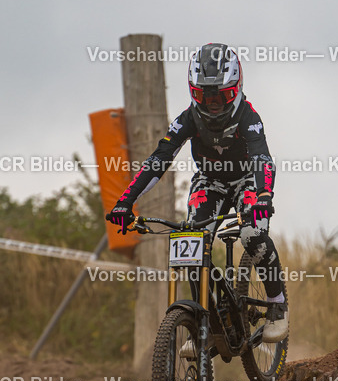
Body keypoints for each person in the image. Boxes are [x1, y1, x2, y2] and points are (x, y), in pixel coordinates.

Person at [106, 43, 288, 341]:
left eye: (221, 96)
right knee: (189, 244)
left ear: (236, 89)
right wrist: (125, 202)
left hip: (247, 181)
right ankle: (201, 320)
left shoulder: (248, 117)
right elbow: (158, 160)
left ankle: (277, 305)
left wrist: (264, 197)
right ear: (194, 92)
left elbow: (262, 158)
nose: (214, 104)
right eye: (205, 96)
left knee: (253, 234)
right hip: (210, 182)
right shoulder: (188, 119)